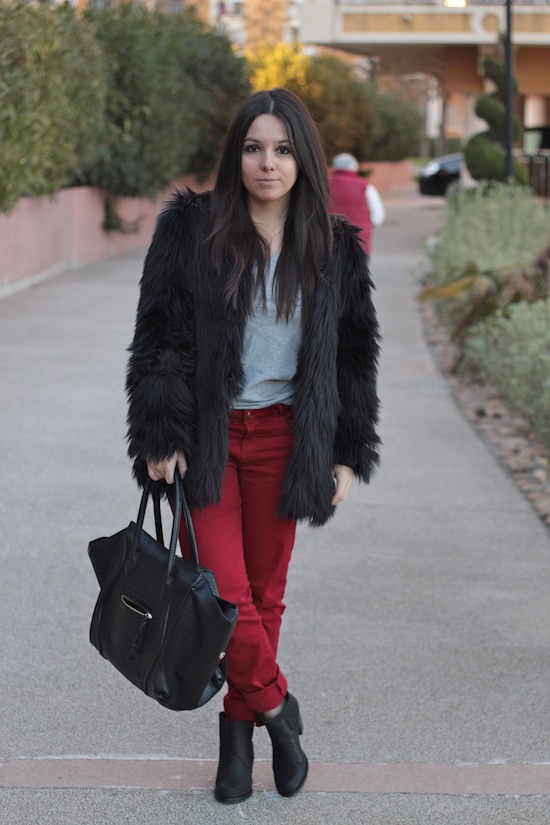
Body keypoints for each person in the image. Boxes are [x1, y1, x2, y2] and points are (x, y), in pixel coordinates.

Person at [126, 88, 380, 804]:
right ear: (235, 154)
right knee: (223, 594)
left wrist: (346, 450)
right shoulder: (191, 230)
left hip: (285, 438)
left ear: (303, 159)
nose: (267, 163)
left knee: (265, 596)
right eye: (253, 148)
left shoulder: (334, 247)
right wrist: (159, 429)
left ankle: (236, 743)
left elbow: (354, 355)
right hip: (206, 438)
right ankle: (279, 712)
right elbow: (158, 334)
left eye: (282, 149)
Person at [329, 152, 385, 254]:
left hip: (330, 240)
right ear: (355, 167)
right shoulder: (365, 185)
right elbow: (378, 216)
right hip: (359, 241)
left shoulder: (324, 184)